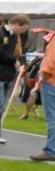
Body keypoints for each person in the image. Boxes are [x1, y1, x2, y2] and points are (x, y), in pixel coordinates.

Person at [0, 14, 27, 145]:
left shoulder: (14, 36)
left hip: (8, 75)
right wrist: (14, 61)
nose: (23, 32)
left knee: (1, 106)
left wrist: (16, 61)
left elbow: (12, 53)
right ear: (17, 24)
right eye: (23, 29)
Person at [32, 29, 55, 162]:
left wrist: (41, 81)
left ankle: (51, 150)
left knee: (52, 118)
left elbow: (49, 64)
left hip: (51, 83)